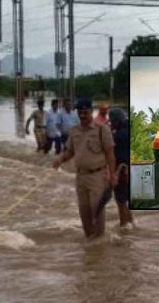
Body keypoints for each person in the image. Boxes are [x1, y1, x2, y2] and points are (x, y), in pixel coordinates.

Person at [52, 98, 116, 239]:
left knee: (97, 210)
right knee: (84, 211)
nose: (82, 115)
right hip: (80, 177)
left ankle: (100, 242)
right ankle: (90, 243)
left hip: (98, 176)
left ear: (91, 112)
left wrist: (113, 175)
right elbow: (70, 152)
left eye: (85, 112)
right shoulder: (74, 131)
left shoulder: (102, 129)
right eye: (80, 112)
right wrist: (60, 159)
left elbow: (110, 154)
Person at [108, 107, 134, 229]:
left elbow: (120, 157)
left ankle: (124, 227)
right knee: (126, 202)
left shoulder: (118, 136)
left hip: (123, 172)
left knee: (121, 202)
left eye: (111, 121)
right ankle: (131, 224)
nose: (111, 123)